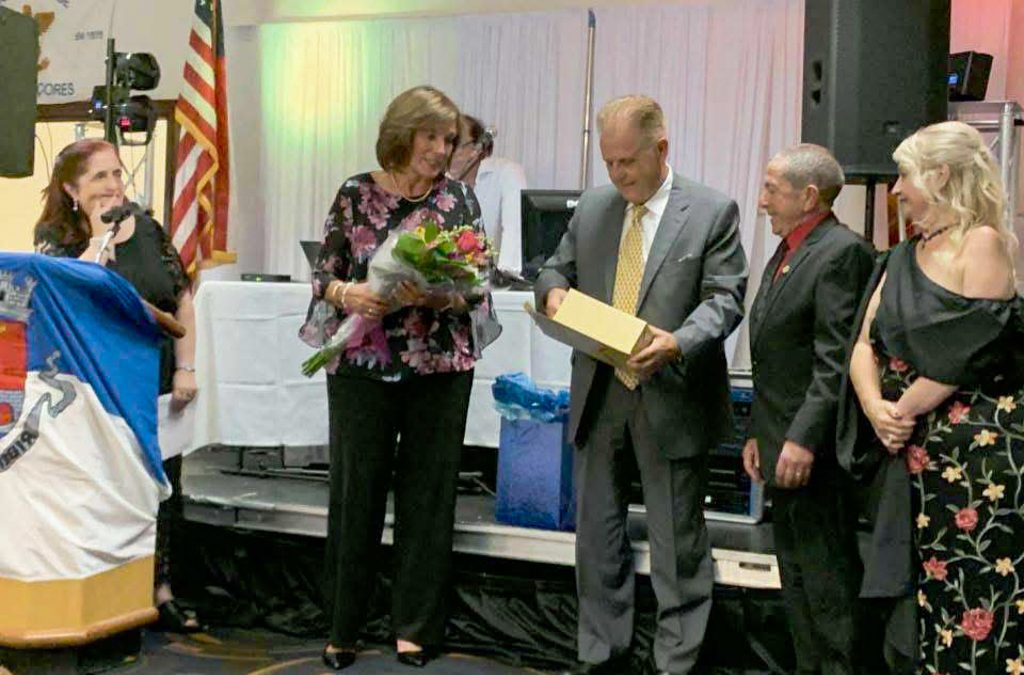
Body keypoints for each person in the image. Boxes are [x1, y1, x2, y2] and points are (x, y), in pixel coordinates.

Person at [536, 95, 748, 675]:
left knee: (677, 544)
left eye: (628, 161)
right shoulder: (596, 208)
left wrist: (678, 341)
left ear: (661, 149)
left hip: (672, 394)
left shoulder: (711, 211)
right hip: (601, 393)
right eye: (608, 163)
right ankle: (602, 655)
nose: (618, 174)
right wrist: (551, 291)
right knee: (596, 538)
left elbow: (726, 299)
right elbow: (556, 268)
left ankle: (676, 662)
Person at [298, 85, 485, 671]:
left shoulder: (459, 201)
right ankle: (344, 625)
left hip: (439, 366)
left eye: (448, 139)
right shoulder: (356, 194)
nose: (440, 148)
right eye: (431, 136)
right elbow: (322, 276)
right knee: (356, 494)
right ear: (403, 134)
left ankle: (414, 628)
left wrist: (435, 292)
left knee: (427, 499)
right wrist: (348, 291)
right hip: (362, 363)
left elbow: (476, 286)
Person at [840, 120, 1024, 674]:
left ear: (940, 176)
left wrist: (902, 410)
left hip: (976, 463)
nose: (896, 190)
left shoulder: (983, 244)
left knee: (978, 595)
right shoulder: (898, 258)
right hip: (910, 456)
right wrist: (876, 409)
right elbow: (861, 346)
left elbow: (970, 349)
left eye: (905, 176)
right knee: (919, 605)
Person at [33, 138, 201, 633]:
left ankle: (160, 588)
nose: (112, 187)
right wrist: (99, 239)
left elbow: (181, 298)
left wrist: (185, 368)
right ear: (71, 189)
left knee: (161, 483)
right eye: (99, 177)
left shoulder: (147, 228)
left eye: (117, 174)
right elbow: (73, 289)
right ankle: (108, 591)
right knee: (106, 486)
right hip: (97, 379)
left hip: (155, 371)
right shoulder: (55, 236)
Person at [742, 144, 874, 674]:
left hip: (813, 454)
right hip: (780, 442)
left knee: (827, 586)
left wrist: (800, 439)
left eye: (773, 189)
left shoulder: (841, 252)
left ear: (809, 195)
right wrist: (758, 431)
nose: (762, 201)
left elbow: (834, 360)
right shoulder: (792, 247)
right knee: (795, 582)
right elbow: (776, 358)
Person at [449, 114, 527, 273]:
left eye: (457, 145)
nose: (448, 152)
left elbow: (515, 232)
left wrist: (506, 284)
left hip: (495, 285)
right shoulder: (440, 181)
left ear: (477, 149)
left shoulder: (507, 173)